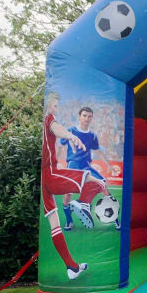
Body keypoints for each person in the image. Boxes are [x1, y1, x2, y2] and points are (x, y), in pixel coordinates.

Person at [41, 92, 108, 280]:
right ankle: (82, 204)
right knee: (81, 179)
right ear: (49, 105)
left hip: (44, 178)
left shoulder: (90, 134)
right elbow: (57, 128)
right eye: (55, 105)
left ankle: (71, 267)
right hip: (50, 173)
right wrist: (71, 136)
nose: (56, 108)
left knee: (55, 226)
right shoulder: (49, 119)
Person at [59, 106, 119, 230]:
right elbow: (60, 146)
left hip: (86, 166)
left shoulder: (93, 136)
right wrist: (54, 162)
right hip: (73, 166)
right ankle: (69, 221)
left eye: (89, 116)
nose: (87, 118)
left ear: (92, 118)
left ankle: (115, 220)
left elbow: (98, 152)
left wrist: (109, 165)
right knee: (67, 195)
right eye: (84, 115)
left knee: (103, 185)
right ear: (79, 117)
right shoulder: (70, 131)